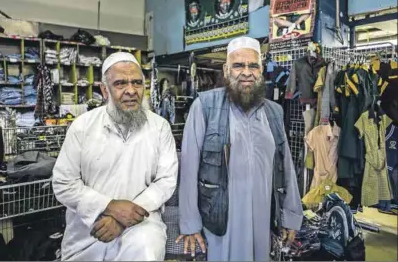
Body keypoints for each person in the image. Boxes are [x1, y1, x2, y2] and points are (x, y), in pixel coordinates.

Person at [176, 36, 303, 261]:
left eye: (253, 65)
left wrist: (290, 216)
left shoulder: (274, 112)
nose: (246, 72)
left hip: (263, 218)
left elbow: (286, 169)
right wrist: (190, 224)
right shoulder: (204, 106)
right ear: (226, 71)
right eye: (238, 65)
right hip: (220, 221)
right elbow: (188, 170)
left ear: (261, 71)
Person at [52, 52, 178, 261]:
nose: (131, 91)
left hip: (141, 224)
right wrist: (110, 207)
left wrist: (125, 218)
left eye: (137, 83)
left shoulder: (159, 127)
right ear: (104, 90)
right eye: (120, 83)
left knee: (145, 248)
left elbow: (166, 181)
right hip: (90, 229)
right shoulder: (82, 127)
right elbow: (64, 183)